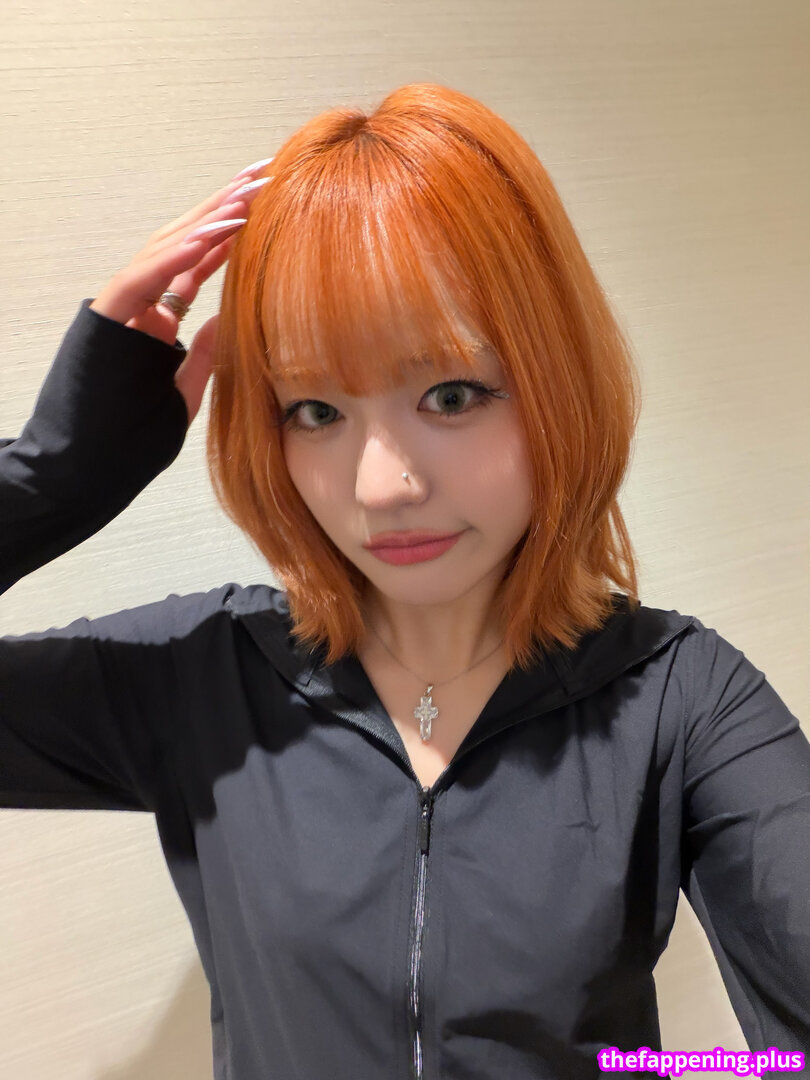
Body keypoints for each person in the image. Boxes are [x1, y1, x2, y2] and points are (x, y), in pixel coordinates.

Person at [1, 83, 808, 1080]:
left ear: (555, 383)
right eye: (315, 411)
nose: (383, 488)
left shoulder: (684, 702)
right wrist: (51, 475)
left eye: (452, 394)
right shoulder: (198, 682)